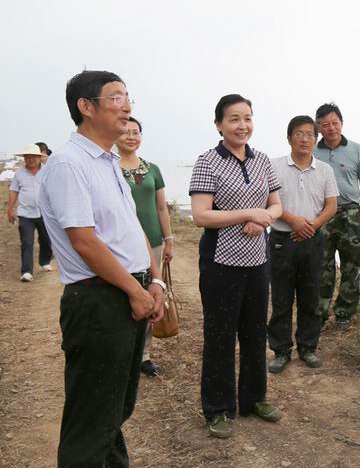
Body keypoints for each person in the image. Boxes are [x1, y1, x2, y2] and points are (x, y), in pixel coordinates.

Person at [39, 70, 165, 467]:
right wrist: (135, 290)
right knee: (91, 419)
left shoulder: (109, 161)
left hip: (126, 292)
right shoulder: (68, 163)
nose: (127, 106)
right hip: (98, 300)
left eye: (128, 97)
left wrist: (155, 279)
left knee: (114, 409)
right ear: (86, 107)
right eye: (116, 97)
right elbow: (85, 241)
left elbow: (133, 227)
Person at [189, 94, 283, 439]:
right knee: (220, 335)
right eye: (234, 119)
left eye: (247, 118)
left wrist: (263, 218)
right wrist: (247, 214)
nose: (242, 125)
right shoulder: (207, 161)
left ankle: (254, 399)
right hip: (221, 262)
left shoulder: (262, 161)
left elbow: (276, 206)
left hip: (257, 260)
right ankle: (218, 408)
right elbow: (201, 215)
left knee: (255, 333)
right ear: (219, 125)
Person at [268, 115, 338, 372]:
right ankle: (281, 350)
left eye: (310, 134)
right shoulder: (274, 166)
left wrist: (311, 226)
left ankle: (308, 347)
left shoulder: (325, 170)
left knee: (311, 298)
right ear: (289, 138)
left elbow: (331, 205)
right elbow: (268, 200)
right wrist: (294, 221)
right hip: (281, 240)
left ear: (316, 139)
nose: (305, 139)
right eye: (299, 134)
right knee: (281, 298)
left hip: (313, 240)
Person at [116, 116, 175, 378]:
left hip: (154, 242)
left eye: (136, 132)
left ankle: (144, 354)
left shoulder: (152, 169)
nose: (131, 136)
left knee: (152, 296)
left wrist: (169, 239)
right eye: (126, 132)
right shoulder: (110, 168)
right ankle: (123, 351)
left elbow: (161, 207)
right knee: (123, 297)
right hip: (122, 245)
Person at [313, 103, 360, 330]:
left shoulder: (357, 150)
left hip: (350, 213)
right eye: (325, 124)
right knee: (322, 266)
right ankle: (319, 314)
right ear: (318, 127)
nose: (331, 128)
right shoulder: (313, 152)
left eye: (335, 123)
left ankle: (344, 314)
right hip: (321, 215)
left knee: (351, 266)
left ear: (342, 123)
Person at [7, 143, 52, 282]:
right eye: (27, 157)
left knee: (46, 239)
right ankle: (26, 271)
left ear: (39, 158)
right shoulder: (19, 174)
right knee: (26, 241)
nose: (30, 160)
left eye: (33, 157)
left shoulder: (47, 171)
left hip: (44, 212)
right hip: (25, 213)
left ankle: (45, 261)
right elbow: (14, 191)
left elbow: (55, 190)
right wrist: (10, 209)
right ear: (24, 158)